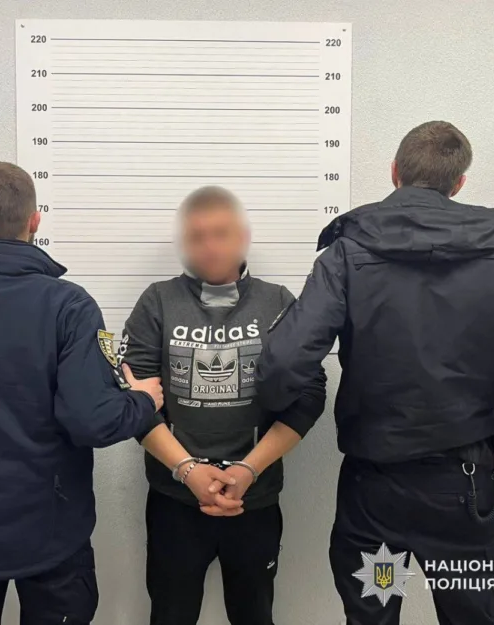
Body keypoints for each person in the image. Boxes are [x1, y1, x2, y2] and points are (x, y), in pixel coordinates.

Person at [0, 162, 230, 625]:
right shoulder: (67, 305)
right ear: (35, 220)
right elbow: (92, 421)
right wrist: (142, 400)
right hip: (51, 535)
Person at [255, 121, 494, 625]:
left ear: (394, 172)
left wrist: (269, 405)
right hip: (462, 495)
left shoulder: (347, 254)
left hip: (377, 497)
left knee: (375, 616)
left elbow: (284, 362)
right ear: (459, 183)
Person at [118, 186, 327, 625]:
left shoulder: (277, 303)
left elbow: (308, 396)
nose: (210, 246)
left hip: (255, 498)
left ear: (242, 237)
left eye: (221, 233)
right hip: (176, 500)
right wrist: (187, 470)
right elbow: (135, 401)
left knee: (254, 615)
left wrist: (249, 469)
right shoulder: (157, 302)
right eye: (197, 236)